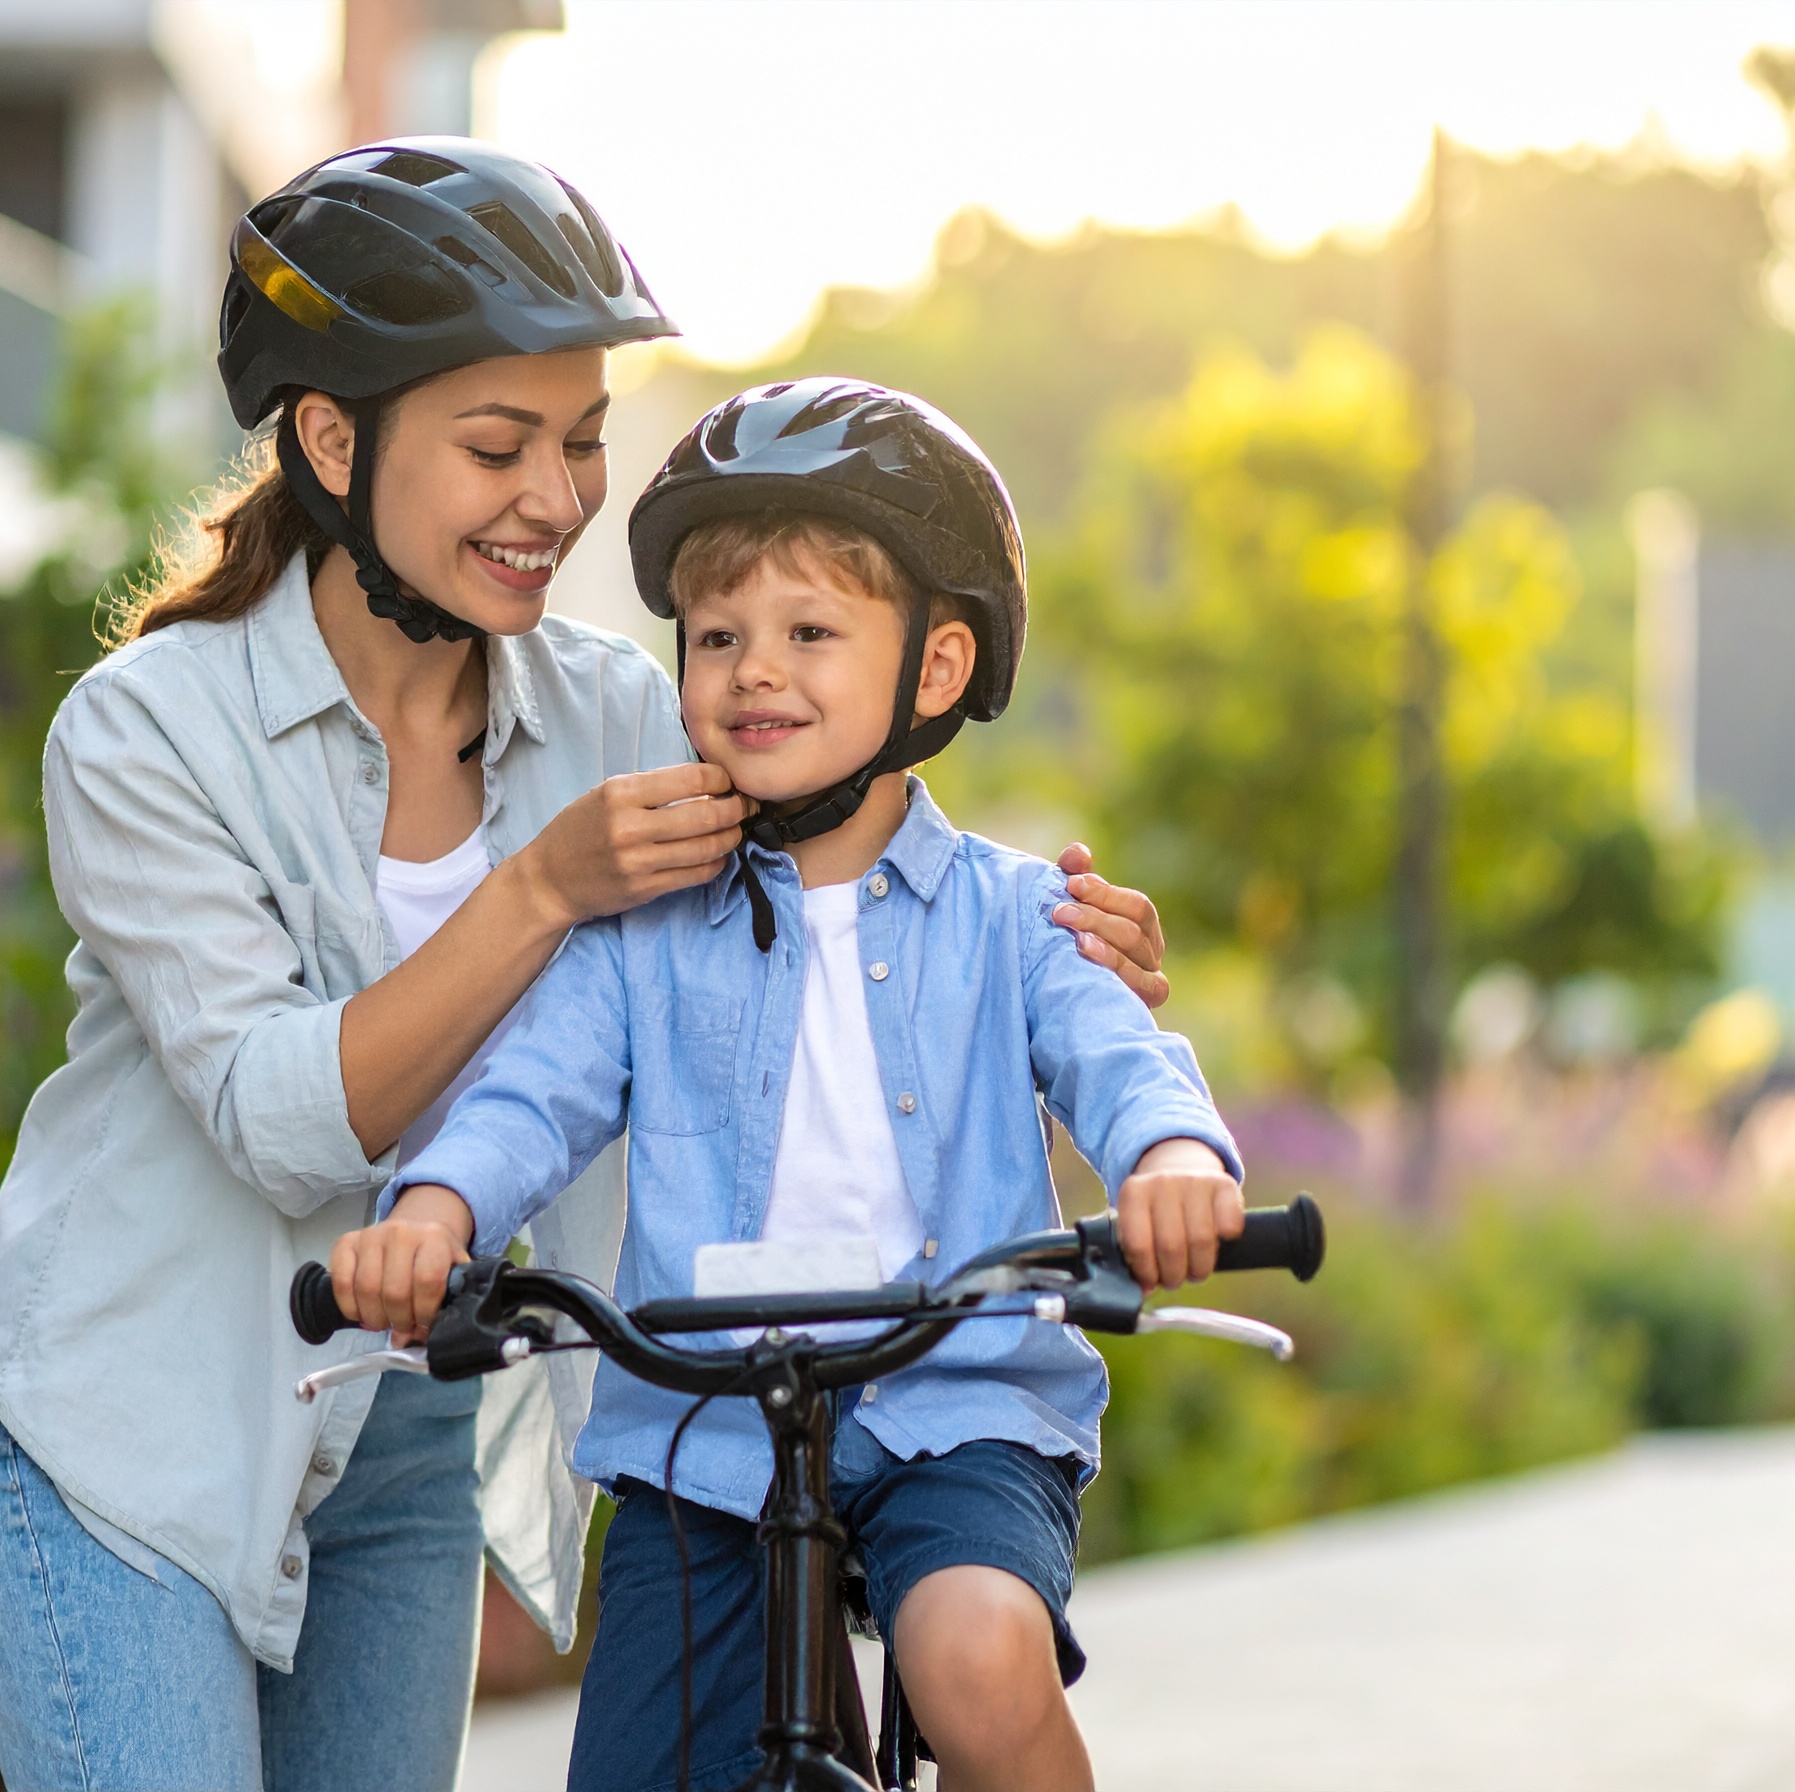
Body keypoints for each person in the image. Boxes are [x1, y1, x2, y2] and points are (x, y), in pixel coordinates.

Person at [0, 142, 1170, 1792]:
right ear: (330, 438)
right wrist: (538, 888)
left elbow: (848, 823)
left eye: (580, 443)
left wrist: (1059, 948)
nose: (558, 499)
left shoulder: (614, 710)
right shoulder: (149, 733)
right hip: (137, 1435)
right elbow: (290, 1122)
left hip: (404, 1444)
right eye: (498, 446)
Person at [331, 377, 1245, 1792]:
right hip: (702, 1432)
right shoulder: (638, 935)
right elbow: (533, 1093)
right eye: (717, 637)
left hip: (961, 1404)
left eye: (811, 632)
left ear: (935, 672)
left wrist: (1172, 1169)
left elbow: (1123, 1060)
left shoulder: (1014, 917)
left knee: (974, 1658)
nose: (755, 669)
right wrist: (435, 1209)